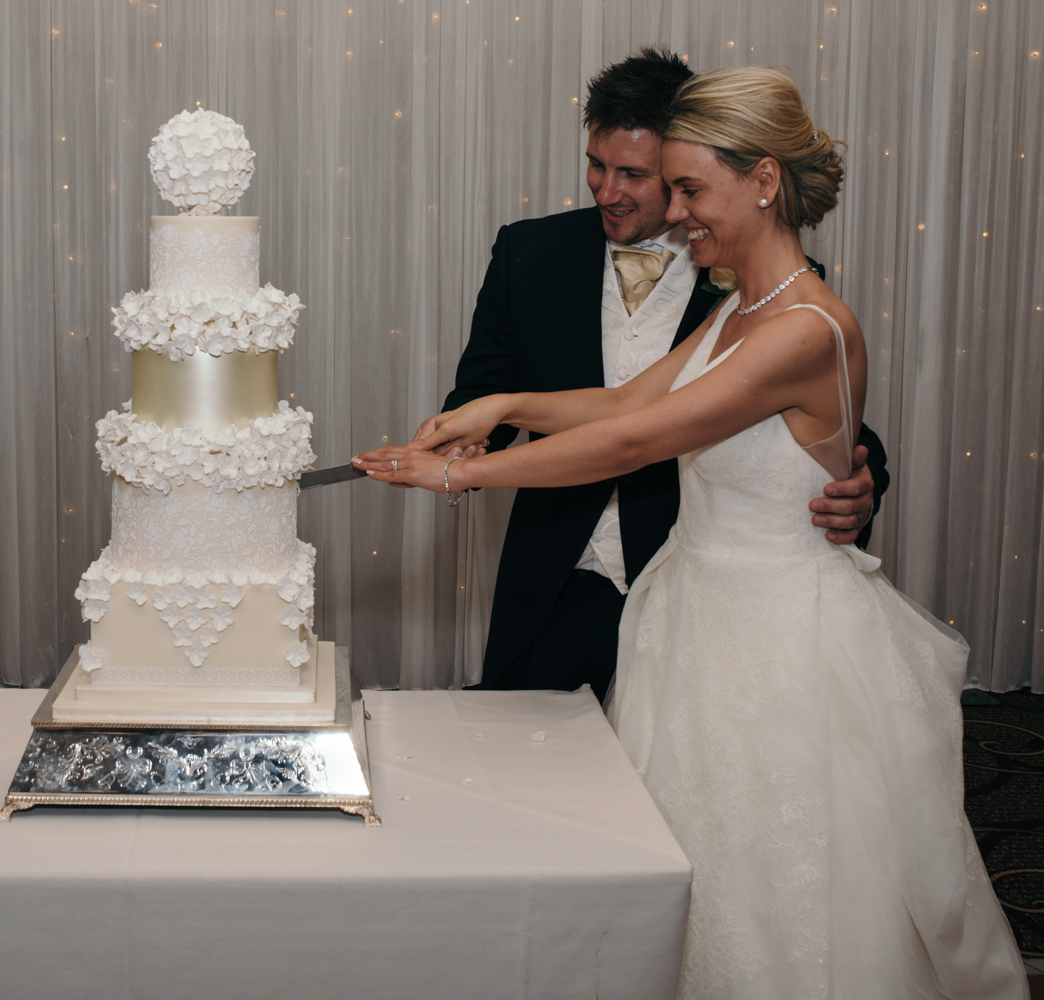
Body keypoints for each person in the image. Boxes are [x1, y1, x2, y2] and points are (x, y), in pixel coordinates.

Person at [357, 66, 1026, 999]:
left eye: (687, 189)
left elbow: (634, 438)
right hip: (693, 617)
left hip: (774, 638)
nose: (675, 213)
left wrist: (458, 473)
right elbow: (624, 397)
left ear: (760, 179)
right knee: (673, 847)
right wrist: (499, 404)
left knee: (774, 875)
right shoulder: (744, 307)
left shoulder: (801, 325)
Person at [426, 47, 887, 700]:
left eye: (643, 176)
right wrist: (487, 417)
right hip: (564, 582)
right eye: (595, 165)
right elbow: (620, 404)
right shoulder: (530, 252)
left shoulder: (780, 294)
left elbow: (802, 430)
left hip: (713, 596)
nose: (609, 191)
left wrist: (861, 482)